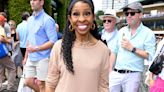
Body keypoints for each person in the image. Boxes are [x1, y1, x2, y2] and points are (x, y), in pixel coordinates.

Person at [45, 0, 110, 92]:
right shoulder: (59, 47)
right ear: (70, 18)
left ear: (93, 17)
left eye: (87, 13)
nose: (82, 19)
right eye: (76, 14)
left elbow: (104, 87)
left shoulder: (103, 50)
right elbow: (51, 84)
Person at [109, 2, 156, 92]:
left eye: (132, 13)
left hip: (133, 75)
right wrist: (110, 71)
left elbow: (150, 56)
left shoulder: (148, 33)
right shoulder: (121, 31)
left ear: (141, 15)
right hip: (115, 73)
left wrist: (132, 49)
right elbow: (114, 52)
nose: (129, 16)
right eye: (127, 13)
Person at [23, 0, 58, 92]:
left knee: (42, 85)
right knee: (27, 81)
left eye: (34, 0)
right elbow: (29, 40)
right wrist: (25, 57)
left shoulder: (48, 20)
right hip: (31, 57)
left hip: (43, 58)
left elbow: (53, 41)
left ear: (42, 2)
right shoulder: (29, 20)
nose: (32, 2)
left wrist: (36, 48)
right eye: (31, 0)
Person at [0, 15, 16, 92]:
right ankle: (10, 88)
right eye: (3, 21)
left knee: (1, 69)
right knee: (12, 68)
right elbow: (2, 39)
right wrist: (8, 40)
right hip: (2, 52)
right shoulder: (1, 28)